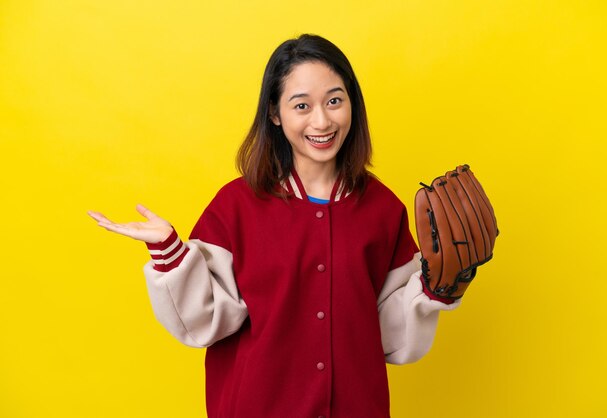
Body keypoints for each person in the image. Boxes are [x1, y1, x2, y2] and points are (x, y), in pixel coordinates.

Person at [88, 34, 460, 418]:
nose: (322, 121)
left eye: (335, 100)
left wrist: (436, 290)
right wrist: (169, 251)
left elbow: (386, 335)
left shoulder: (383, 208)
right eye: (302, 105)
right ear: (275, 113)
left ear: (353, 104)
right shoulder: (236, 206)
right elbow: (204, 322)